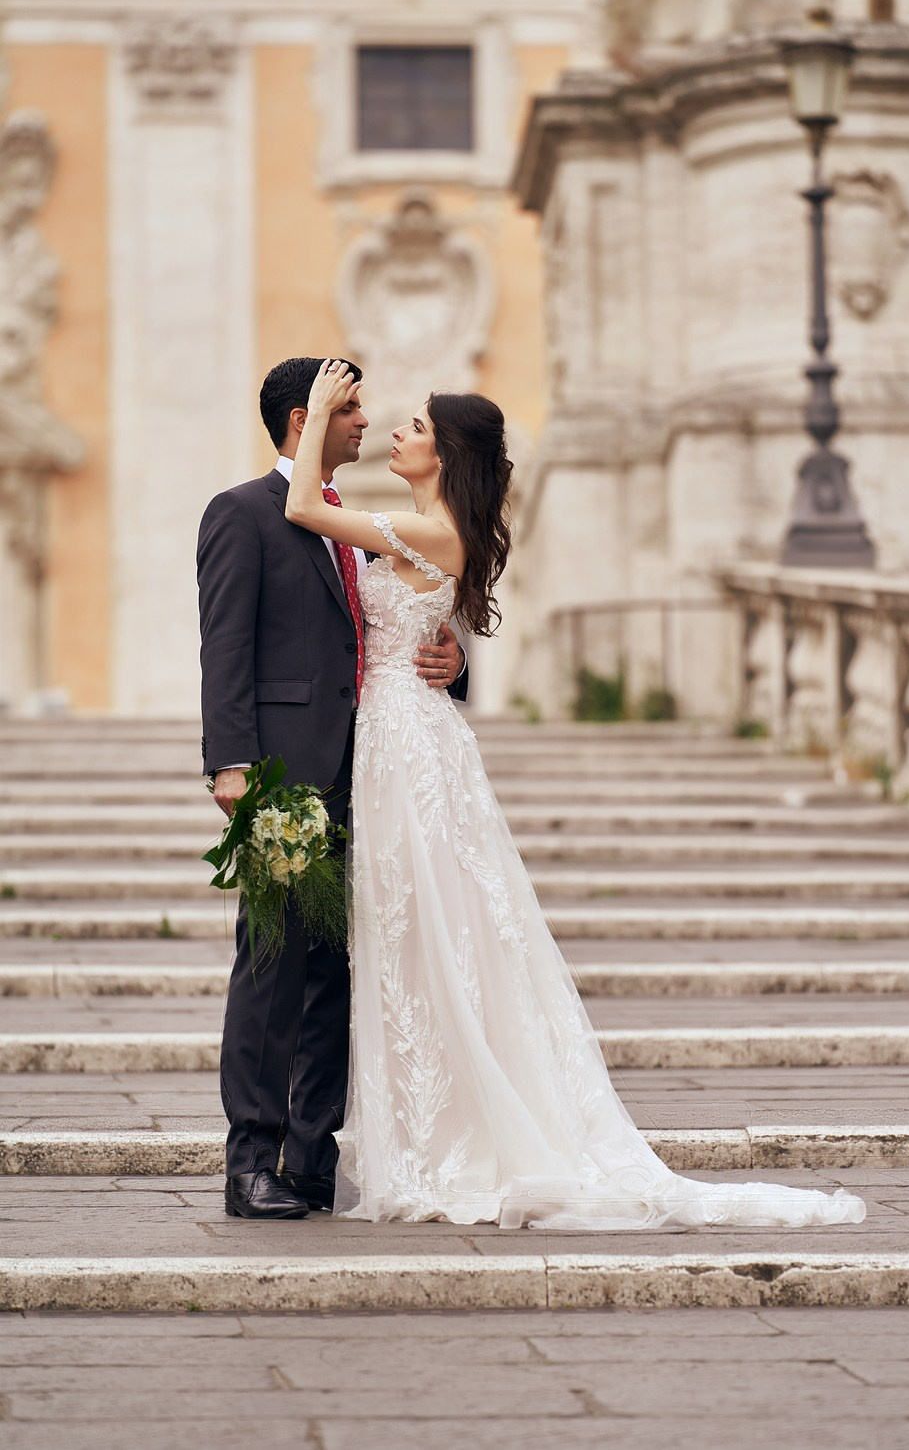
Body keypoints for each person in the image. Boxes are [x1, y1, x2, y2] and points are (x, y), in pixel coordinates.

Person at [284, 359, 866, 1231]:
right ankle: (435, 1123)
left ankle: (451, 1138)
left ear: (444, 457)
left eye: (414, 428)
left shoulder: (430, 531)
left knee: (425, 930)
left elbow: (301, 509)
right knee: (417, 933)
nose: (397, 434)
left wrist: (320, 409)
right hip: (402, 736)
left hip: (407, 749)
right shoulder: (432, 528)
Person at [197, 356, 467, 1220]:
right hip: (285, 771)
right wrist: (230, 762)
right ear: (301, 420)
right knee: (273, 962)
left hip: (377, 770)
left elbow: (408, 624)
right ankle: (250, 1163)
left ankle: (311, 1157)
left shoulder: (359, 520)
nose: (364, 424)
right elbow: (225, 646)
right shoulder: (242, 513)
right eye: (349, 411)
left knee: (339, 971)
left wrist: (452, 665)